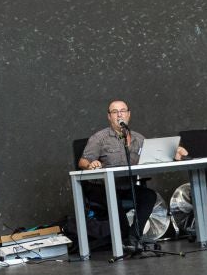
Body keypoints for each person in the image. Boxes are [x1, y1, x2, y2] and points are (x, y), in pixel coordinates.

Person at [78, 100, 188, 241]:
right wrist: (90, 165)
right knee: (113, 199)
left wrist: (175, 153)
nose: (119, 115)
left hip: (125, 186)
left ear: (128, 114)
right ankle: (124, 237)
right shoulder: (99, 138)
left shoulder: (138, 138)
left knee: (149, 196)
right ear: (109, 117)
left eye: (123, 111)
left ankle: (134, 235)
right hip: (102, 188)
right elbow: (82, 161)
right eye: (115, 112)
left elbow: (155, 155)